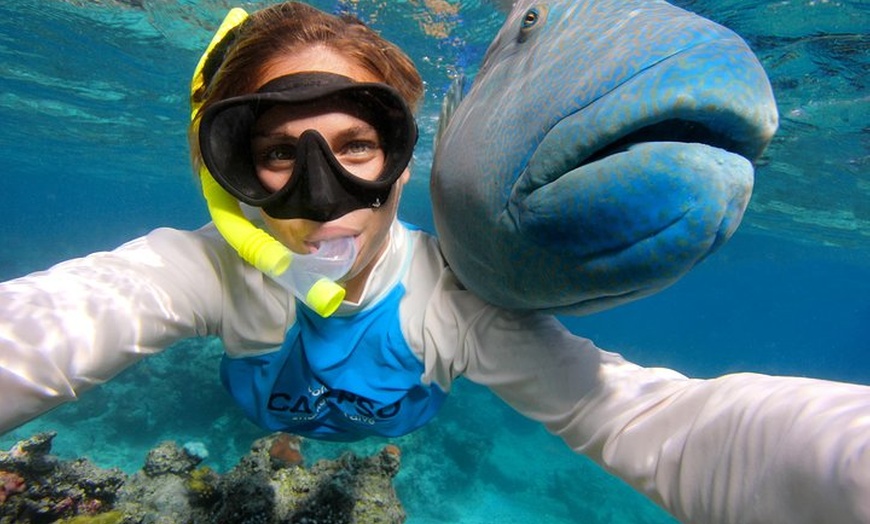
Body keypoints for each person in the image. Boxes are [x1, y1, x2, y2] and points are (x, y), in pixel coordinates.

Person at [0, 2, 867, 522]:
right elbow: (56, 321)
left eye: (355, 147)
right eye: (276, 155)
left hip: (392, 425)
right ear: (229, 176)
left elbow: (665, 424)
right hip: (275, 414)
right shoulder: (202, 271)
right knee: (282, 433)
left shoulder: (452, 305)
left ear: (402, 162)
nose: (323, 193)